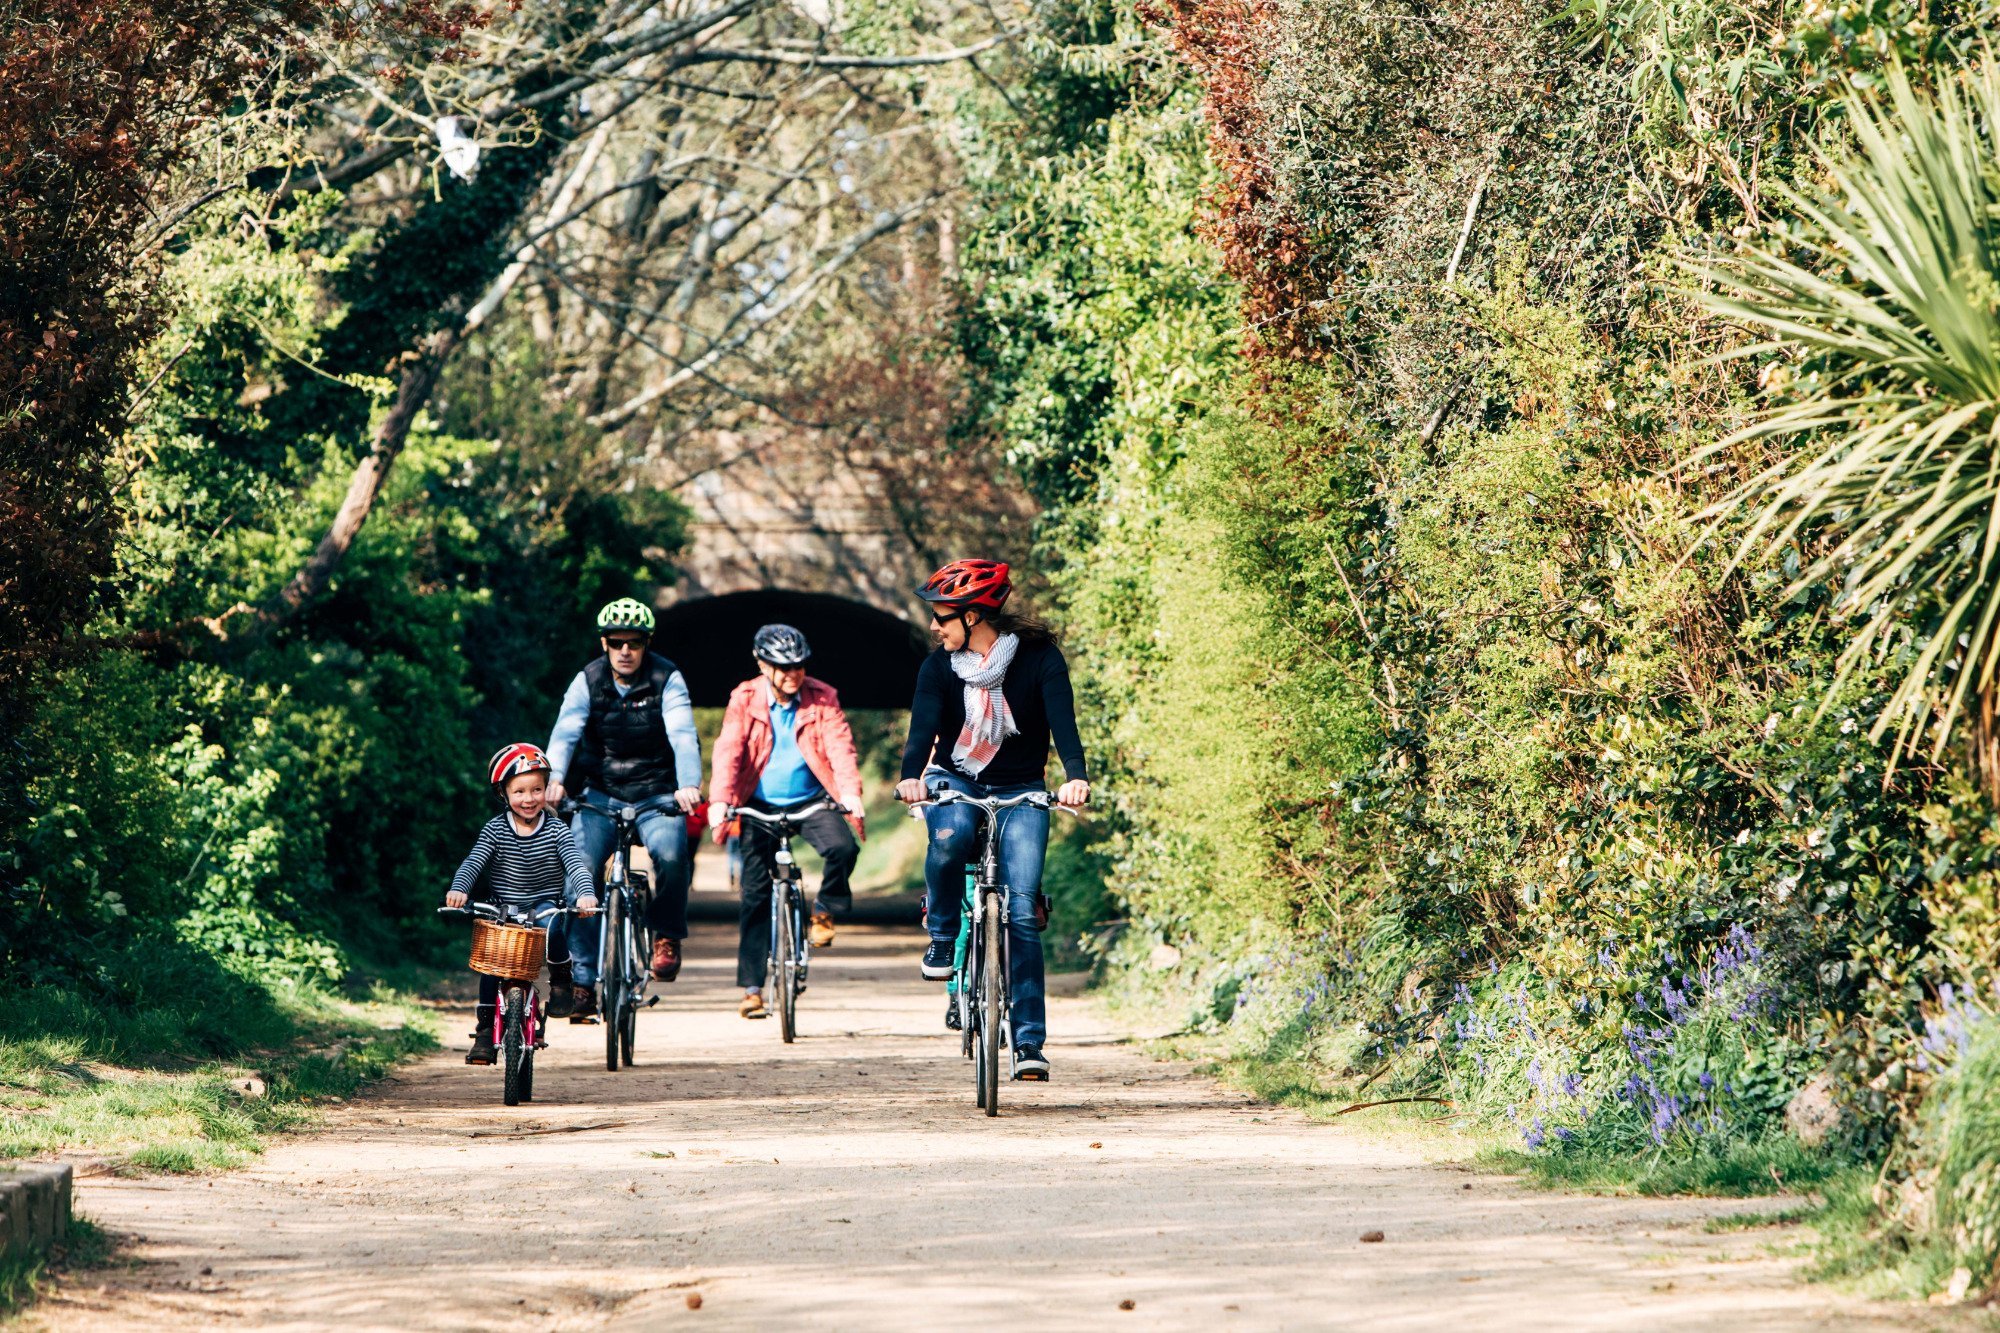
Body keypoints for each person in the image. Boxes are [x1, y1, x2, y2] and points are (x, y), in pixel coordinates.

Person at [895, 560, 1089, 1082]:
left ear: (975, 615)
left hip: (1023, 786)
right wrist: (911, 777)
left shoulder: (1040, 660)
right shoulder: (939, 667)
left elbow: (1063, 724)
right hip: (957, 779)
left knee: (1022, 911)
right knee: (951, 833)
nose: (935, 628)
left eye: (942, 618)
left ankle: (1028, 1044)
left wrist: (1076, 776)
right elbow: (922, 729)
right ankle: (942, 933)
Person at [545, 598, 703, 1019]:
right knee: (579, 881)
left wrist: (688, 784)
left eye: (634, 643)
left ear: (646, 643)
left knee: (672, 857)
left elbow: (683, 734)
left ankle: (666, 936)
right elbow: (565, 732)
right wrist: (554, 779)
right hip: (598, 794)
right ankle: (583, 982)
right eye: (617, 643)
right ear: (604, 644)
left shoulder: (668, 678)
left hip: (657, 793)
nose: (625, 651)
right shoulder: (588, 679)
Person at [710, 624, 865, 1020]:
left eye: (798, 666)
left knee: (843, 848)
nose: (793, 674)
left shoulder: (822, 696)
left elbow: (840, 748)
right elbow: (729, 751)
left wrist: (850, 793)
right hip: (758, 805)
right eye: (783, 667)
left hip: (812, 801)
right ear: (763, 666)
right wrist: (720, 801)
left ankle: (825, 909)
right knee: (755, 895)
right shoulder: (744, 698)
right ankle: (751, 988)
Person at [445, 744, 597, 1064]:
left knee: (552, 927)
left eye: (537, 789)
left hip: (543, 904)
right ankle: (486, 1031)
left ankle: (561, 978)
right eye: (519, 792)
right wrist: (460, 889)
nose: (529, 799)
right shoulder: (496, 829)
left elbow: (575, 864)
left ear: (546, 790)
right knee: (492, 963)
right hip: (503, 906)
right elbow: (474, 862)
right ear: (503, 793)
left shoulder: (556, 829)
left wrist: (585, 894)